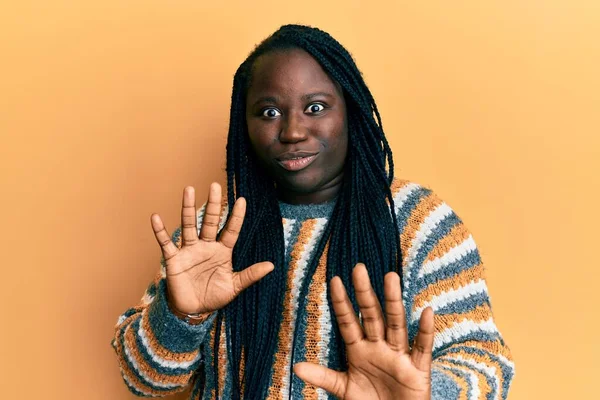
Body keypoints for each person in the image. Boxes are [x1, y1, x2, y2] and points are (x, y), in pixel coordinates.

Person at [111, 24, 515, 400]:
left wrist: (428, 393)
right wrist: (180, 314)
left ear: (350, 111)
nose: (292, 131)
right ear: (243, 126)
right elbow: (146, 381)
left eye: (316, 107)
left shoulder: (416, 221)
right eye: (269, 112)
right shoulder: (213, 232)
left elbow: (486, 364)